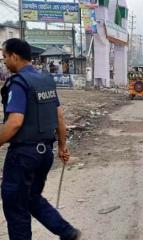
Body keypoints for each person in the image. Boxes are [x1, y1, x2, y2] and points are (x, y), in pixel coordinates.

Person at [0, 38, 81, 240]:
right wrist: (62, 146)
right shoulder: (45, 80)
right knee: (31, 197)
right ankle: (67, 232)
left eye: (4, 57)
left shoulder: (19, 82)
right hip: (45, 154)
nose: (4, 62)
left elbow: (15, 122)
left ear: (14, 56)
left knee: (15, 205)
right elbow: (59, 116)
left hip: (23, 156)